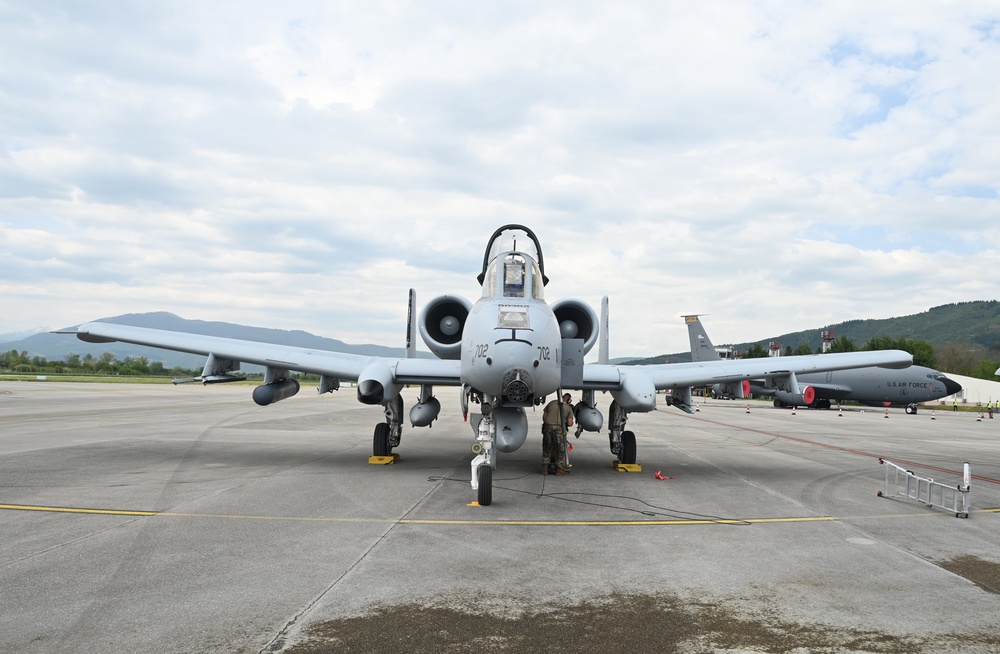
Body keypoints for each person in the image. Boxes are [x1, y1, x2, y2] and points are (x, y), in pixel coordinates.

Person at [542, 393, 574, 476]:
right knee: (561, 449)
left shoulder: (551, 403)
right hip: (559, 429)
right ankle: (559, 469)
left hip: (547, 428)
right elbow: (570, 423)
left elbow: (544, 417)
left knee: (547, 447)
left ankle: (545, 468)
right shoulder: (568, 408)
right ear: (569, 400)